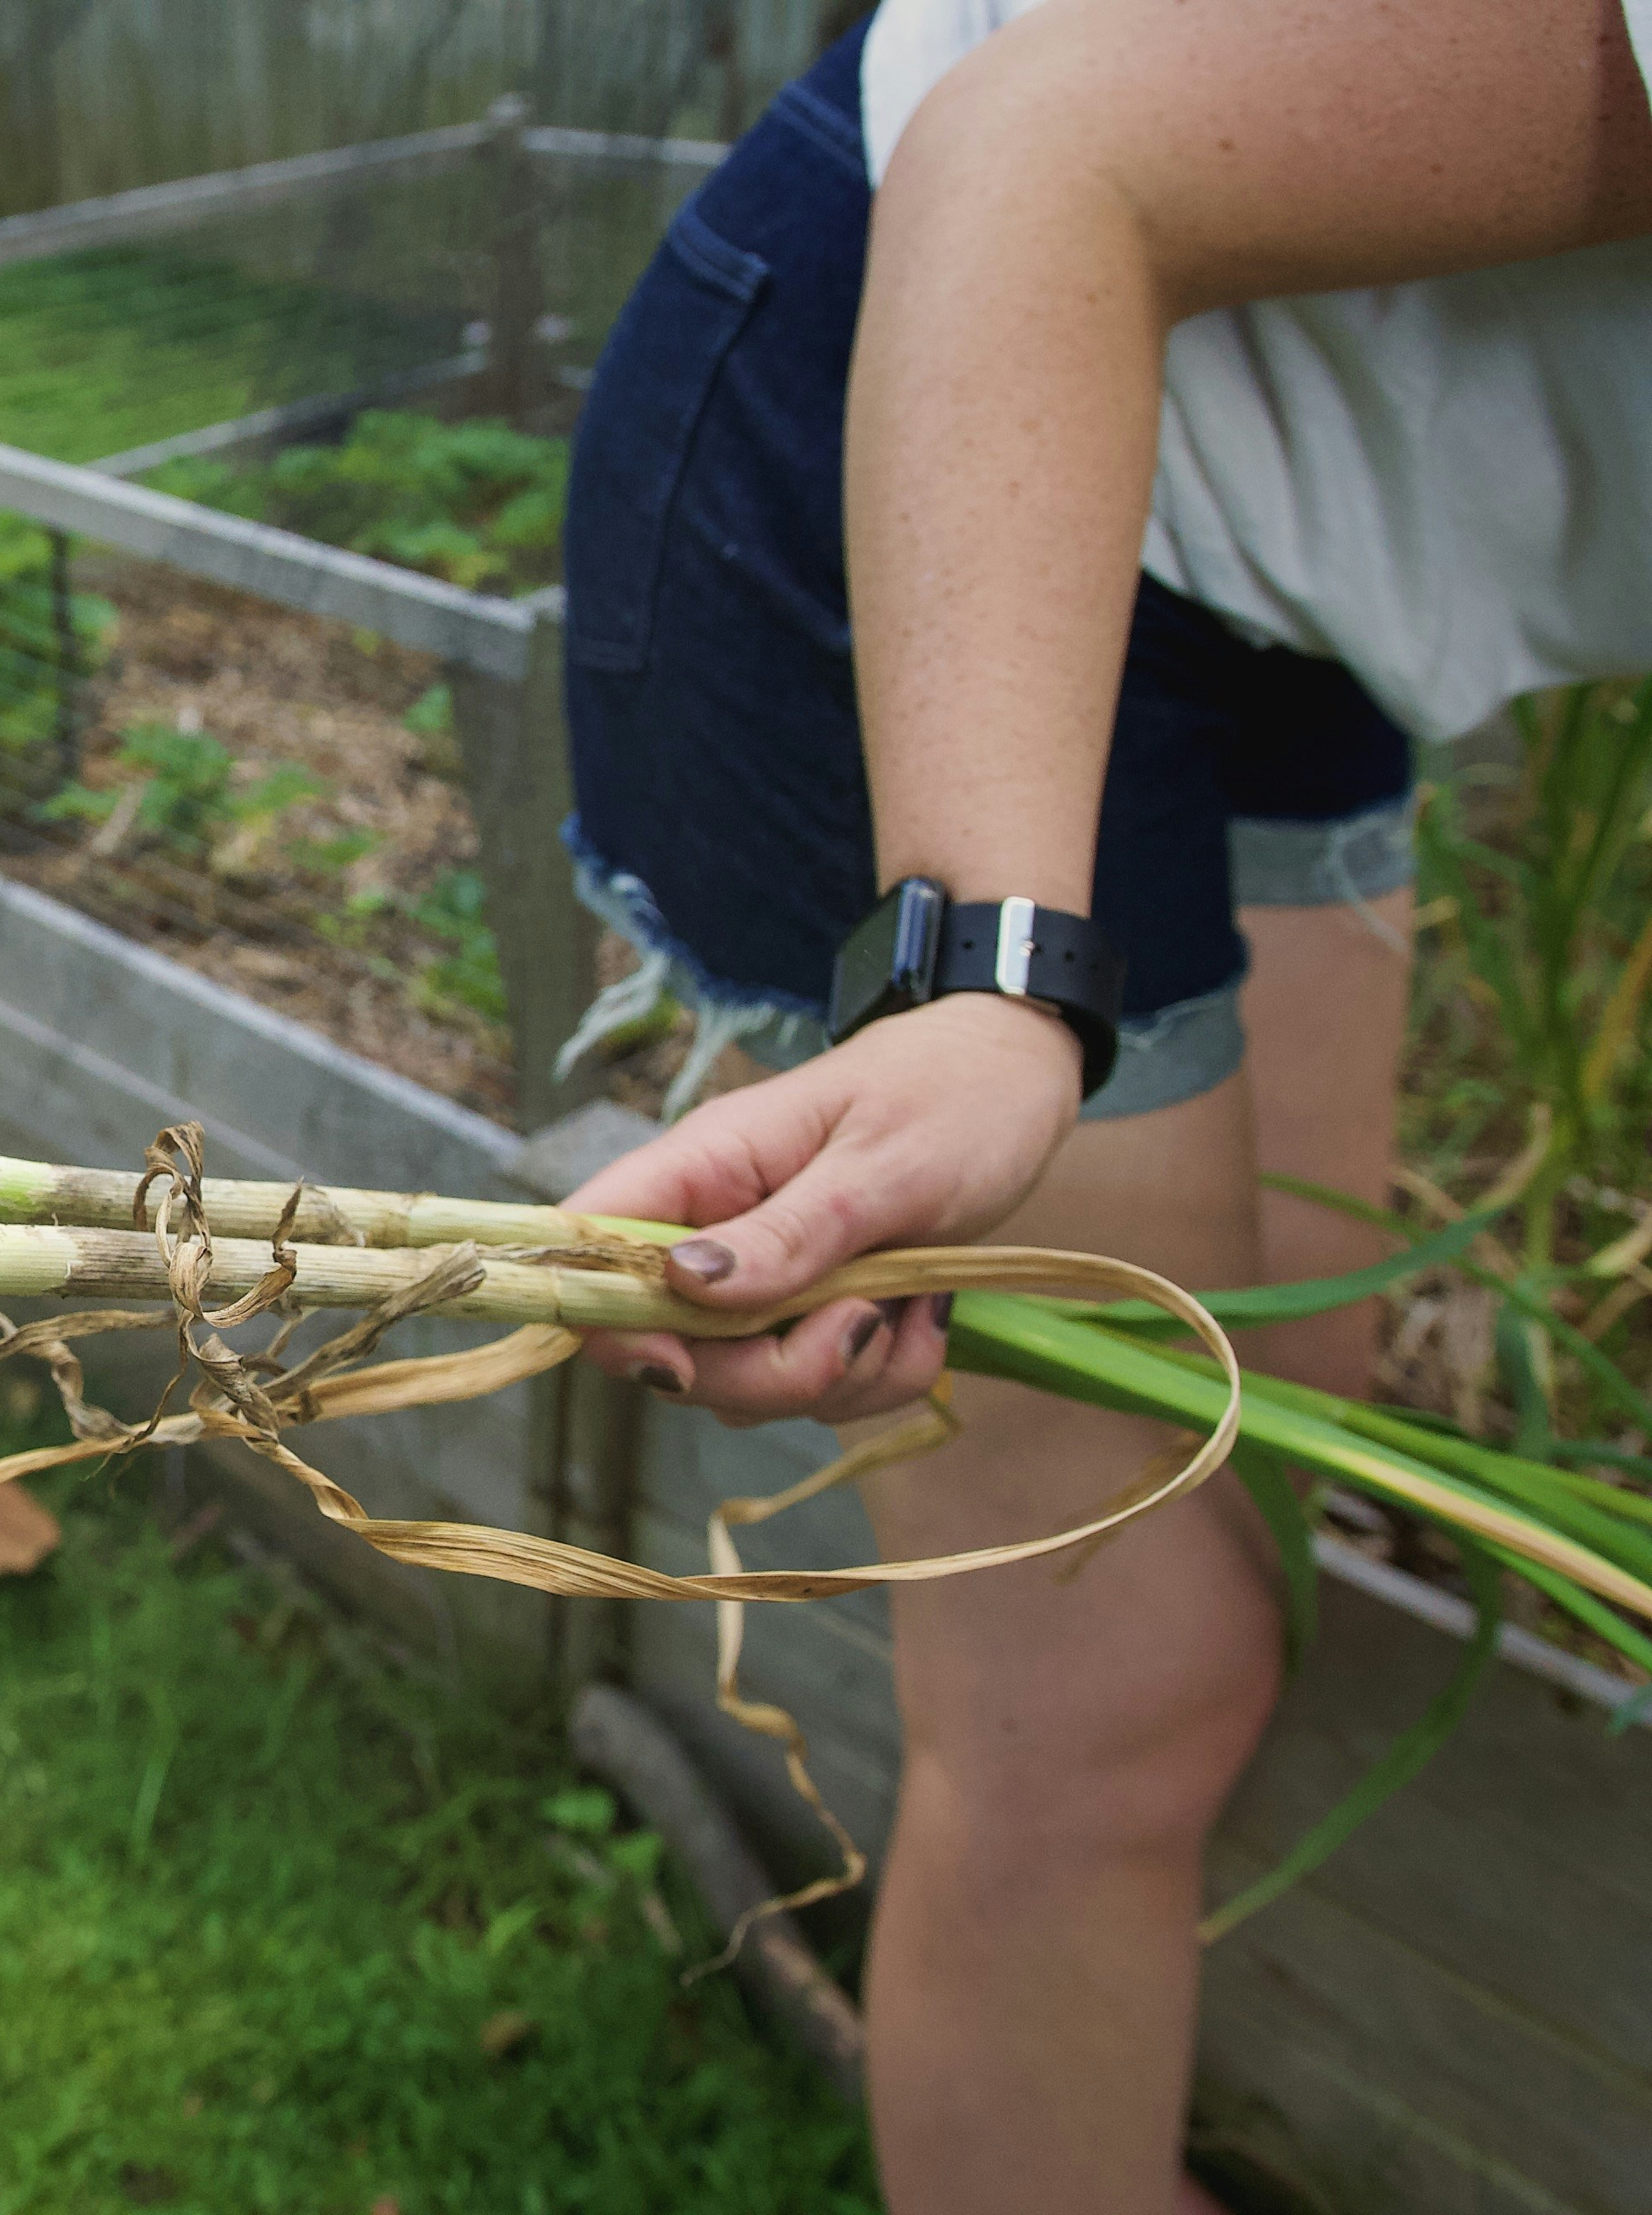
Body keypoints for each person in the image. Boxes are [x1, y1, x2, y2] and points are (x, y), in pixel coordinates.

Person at [550, 2, 1652, 2208]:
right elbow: (1049, 149)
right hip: (920, 414)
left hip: (1279, 550)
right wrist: (983, 986)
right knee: (1109, 1689)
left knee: (1271, 1459)